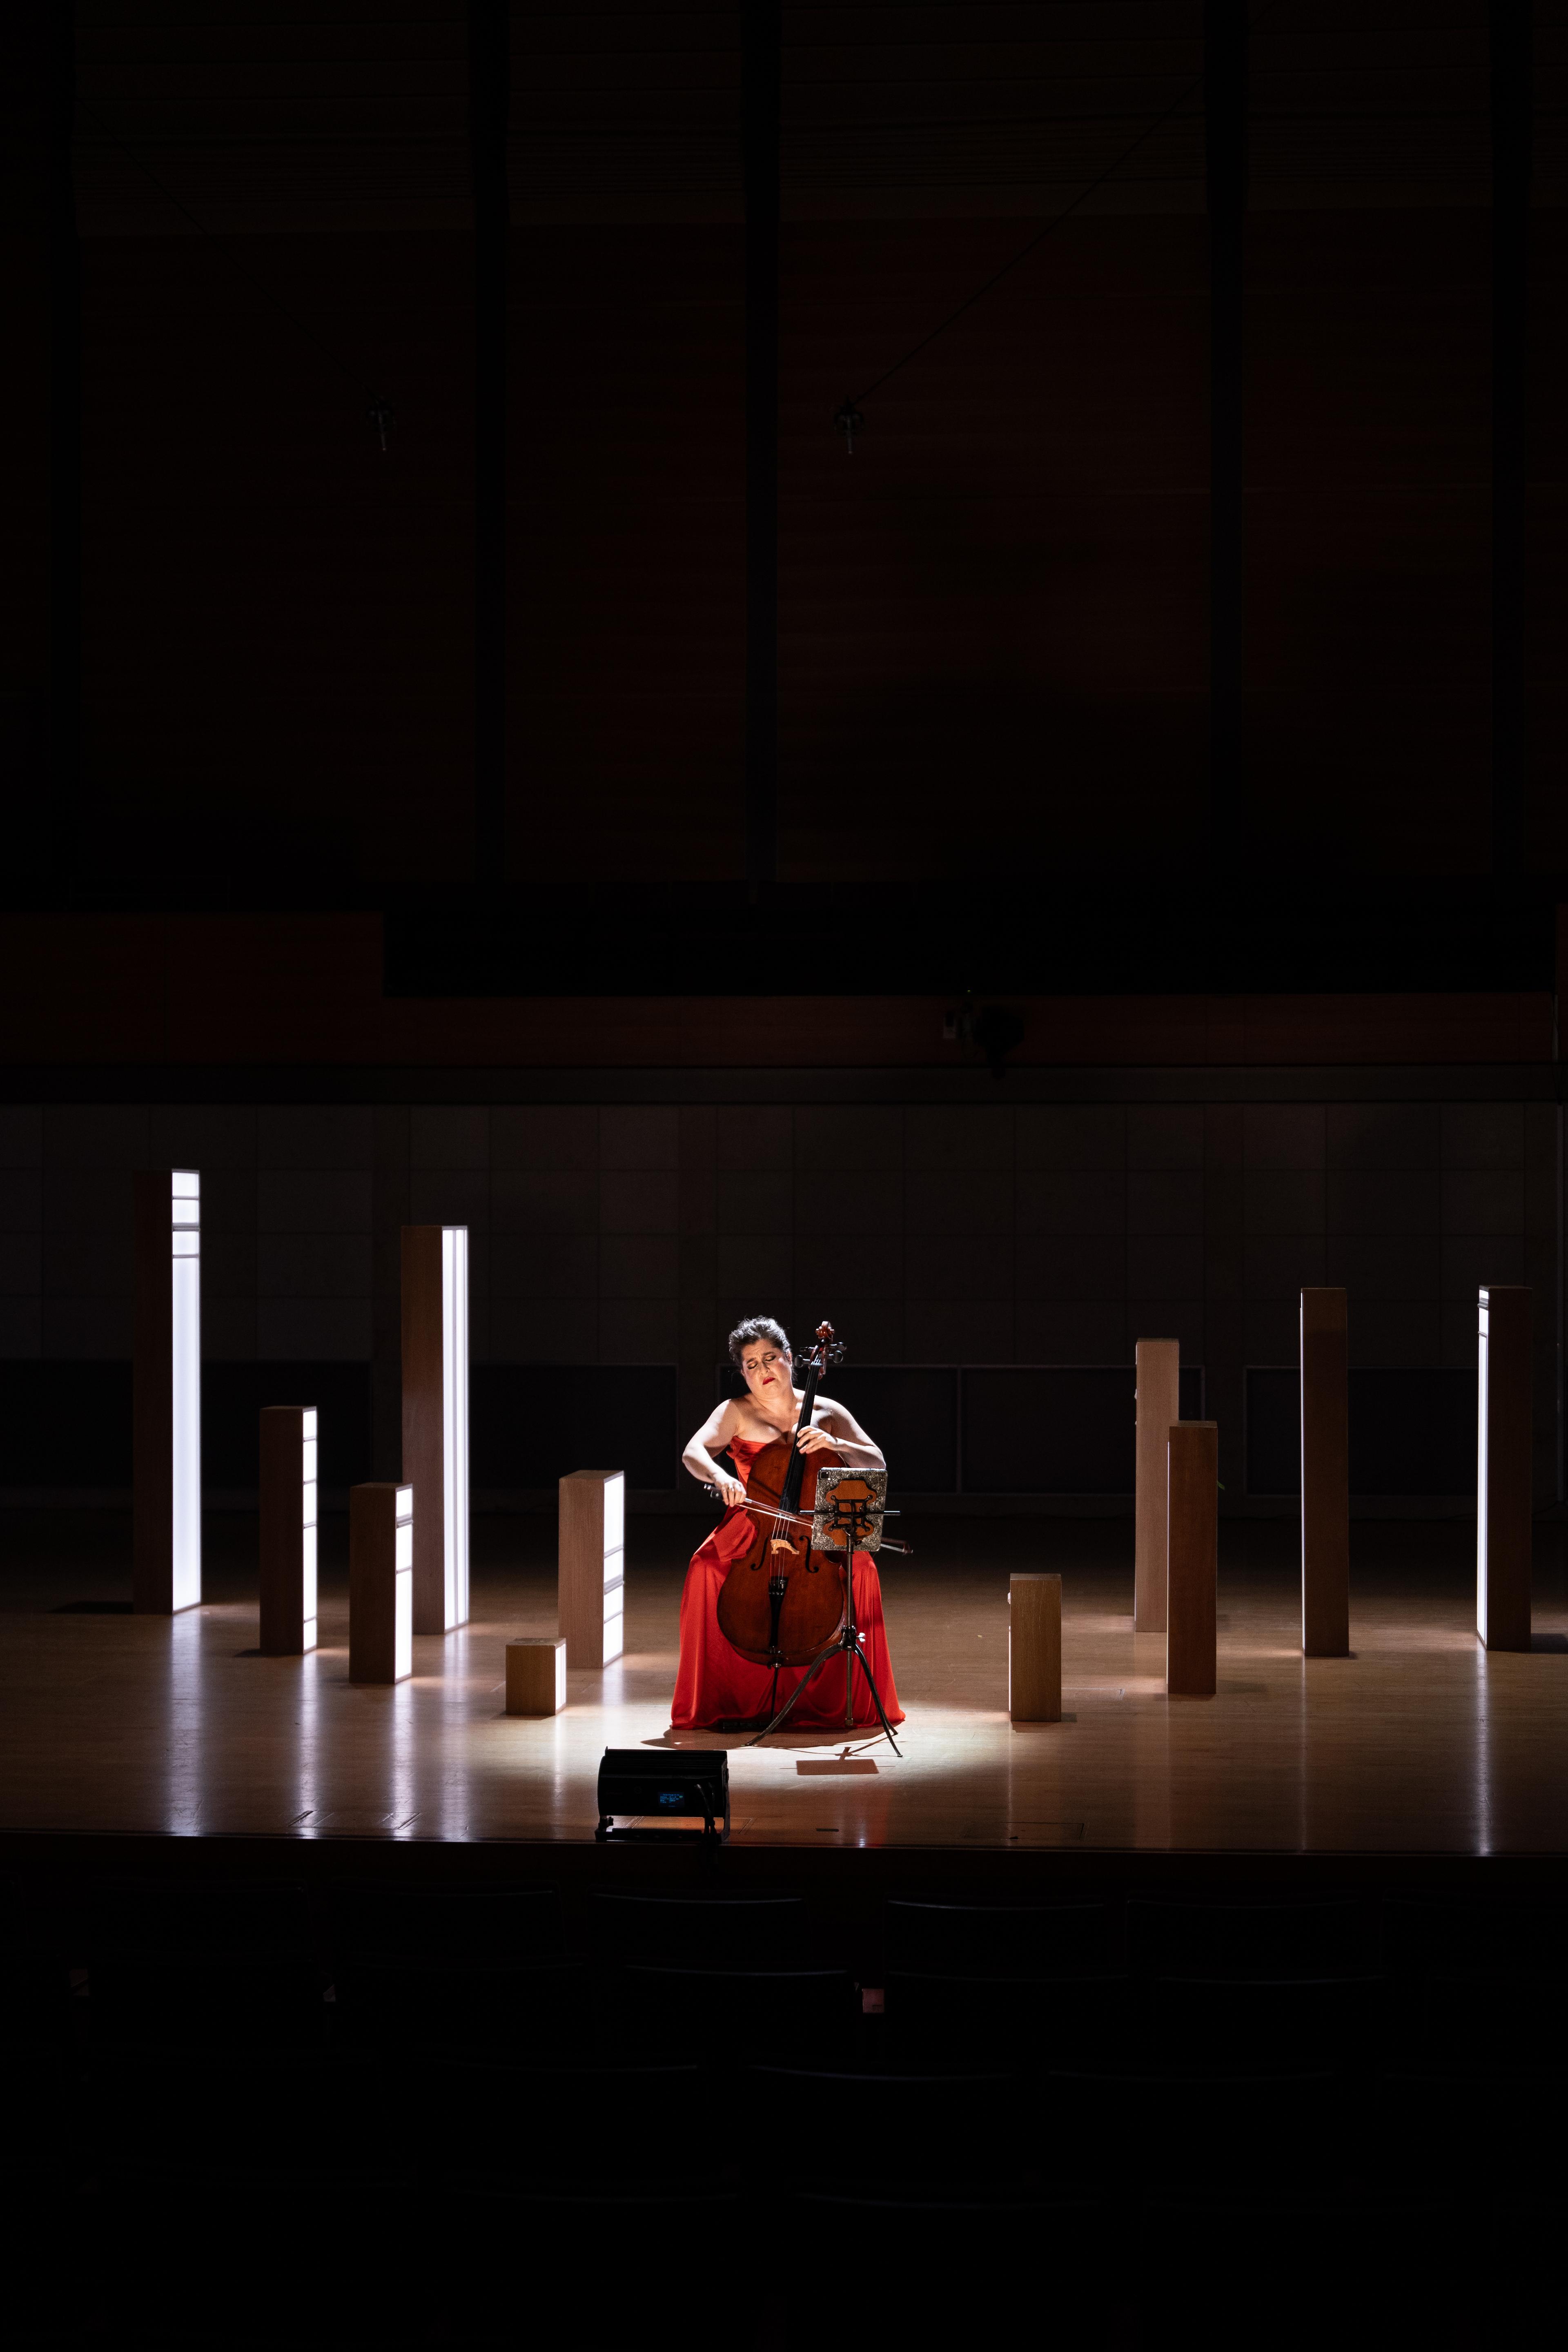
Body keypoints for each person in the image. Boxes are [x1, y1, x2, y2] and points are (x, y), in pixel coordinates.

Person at [671, 1315, 904, 1733]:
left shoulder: (828, 1411)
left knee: (862, 1569)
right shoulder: (735, 1411)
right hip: (756, 1523)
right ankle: (724, 1698)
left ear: (791, 1359)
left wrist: (838, 1444)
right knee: (705, 1570)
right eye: (752, 1364)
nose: (763, 1370)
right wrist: (721, 1476)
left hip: (815, 1525)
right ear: (742, 1372)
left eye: (770, 1358)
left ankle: (844, 1700)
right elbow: (694, 1453)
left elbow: (877, 1462)